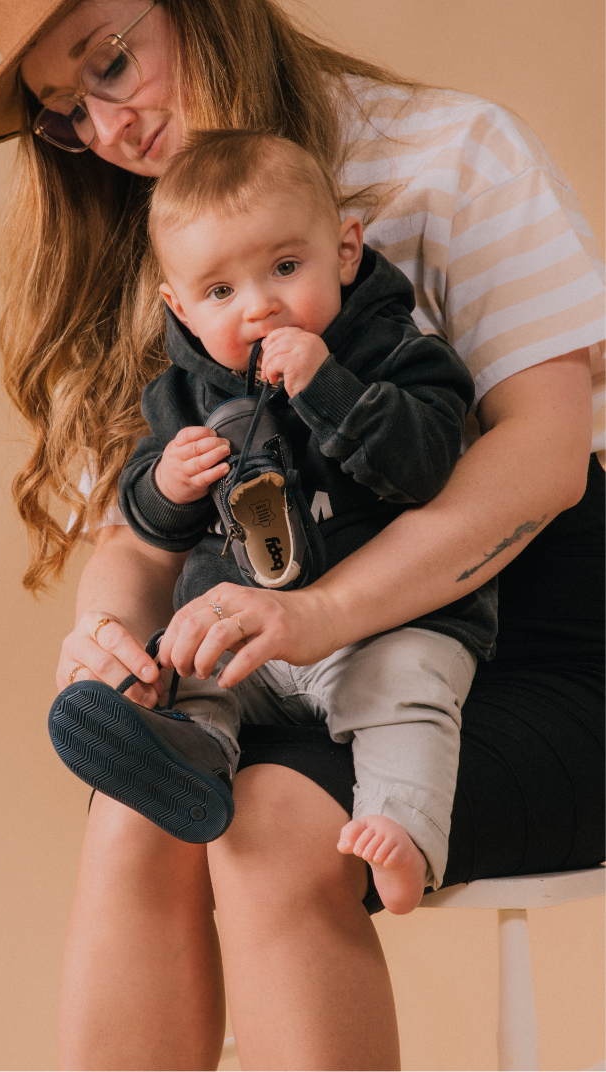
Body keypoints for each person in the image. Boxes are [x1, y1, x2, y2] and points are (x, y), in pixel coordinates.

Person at [0, 1, 606, 1068]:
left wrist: (318, 612)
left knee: (268, 823)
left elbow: (541, 461)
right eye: (66, 114)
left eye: (111, 62)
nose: (108, 128)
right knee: (135, 817)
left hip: (534, 645)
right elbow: (138, 536)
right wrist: (107, 636)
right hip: (291, 658)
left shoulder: (448, 156)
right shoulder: (155, 250)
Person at [75, 128, 494, 913]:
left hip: (380, 626)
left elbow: (426, 464)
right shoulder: (179, 399)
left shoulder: (392, 352)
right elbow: (145, 525)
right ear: (179, 306)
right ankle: (194, 753)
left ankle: (401, 833)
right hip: (250, 646)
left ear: (344, 250)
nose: (260, 303)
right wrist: (166, 483)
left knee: (406, 693)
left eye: (285, 268)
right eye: (220, 292)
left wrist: (329, 387)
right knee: (184, 663)